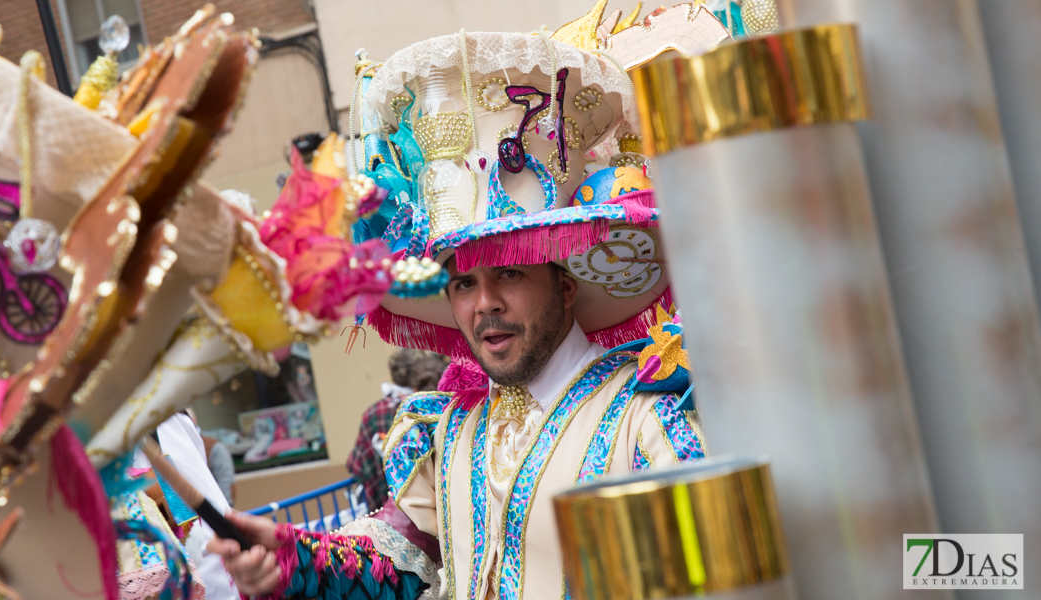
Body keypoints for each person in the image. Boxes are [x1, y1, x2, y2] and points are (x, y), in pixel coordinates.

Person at [208, 15, 707, 600]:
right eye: (463, 283)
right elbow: (392, 563)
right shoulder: (453, 433)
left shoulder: (646, 424)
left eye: (510, 272)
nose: (485, 304)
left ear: (566, 282)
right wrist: (288, 554)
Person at [347, 349, 448, 510]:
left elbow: (356, 464)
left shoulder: (373, 411)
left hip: (384, 504)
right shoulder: (421, 407)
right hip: (424, 504)